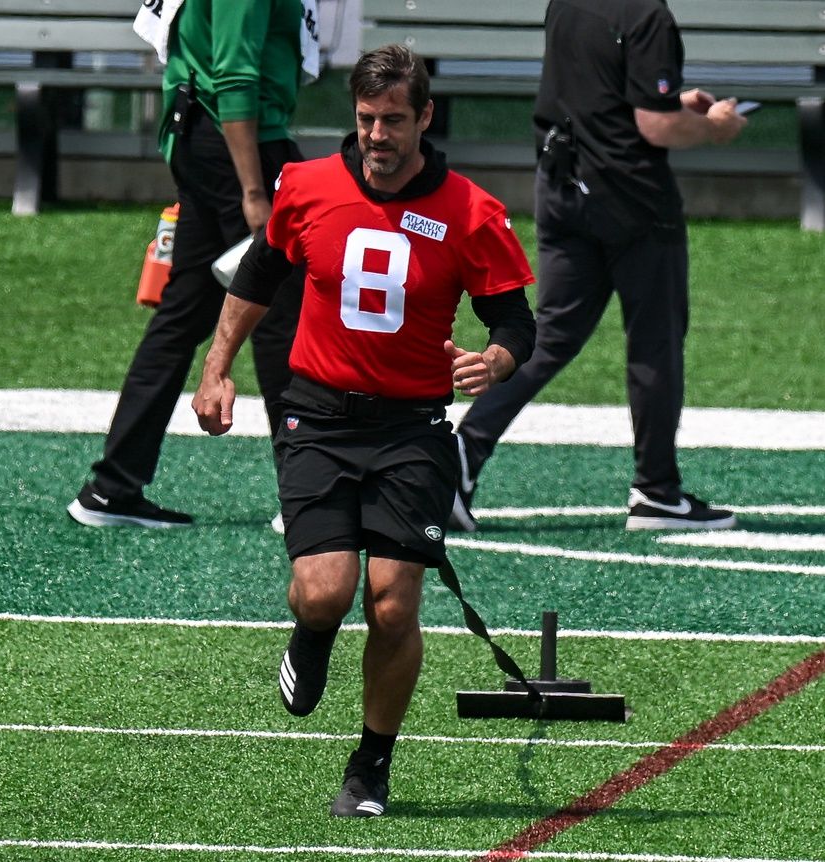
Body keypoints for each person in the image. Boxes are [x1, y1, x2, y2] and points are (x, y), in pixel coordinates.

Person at [192, 44, 535, 816]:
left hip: (412, 426)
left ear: (425, 118)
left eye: (394, 121)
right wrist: (217, 368)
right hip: (315, 415)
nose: (379, 136)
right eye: (367, 119)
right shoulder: (306, 186)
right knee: (325, 592)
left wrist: (499, 360)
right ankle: (311, 634)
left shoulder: (471, 211)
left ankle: (371, 765)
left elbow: (516, 318)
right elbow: (259, 274)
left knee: (392, 603)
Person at [450, 0, 747, 534]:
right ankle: (656, 491)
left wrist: (671, 100)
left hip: (562, 185)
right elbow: (655, 127)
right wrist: (713, 126)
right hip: (630, 195)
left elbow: (598, 93)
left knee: (550, 337)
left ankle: (459, 460)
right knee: (655, 340)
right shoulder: (647, 15)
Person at [68, 0, 312, 528]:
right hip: (238, 141)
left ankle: (113, 487)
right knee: (279, 314)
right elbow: (234, 73)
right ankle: (306, 496)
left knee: (187, 310)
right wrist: (252, 189)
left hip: (203, 132)